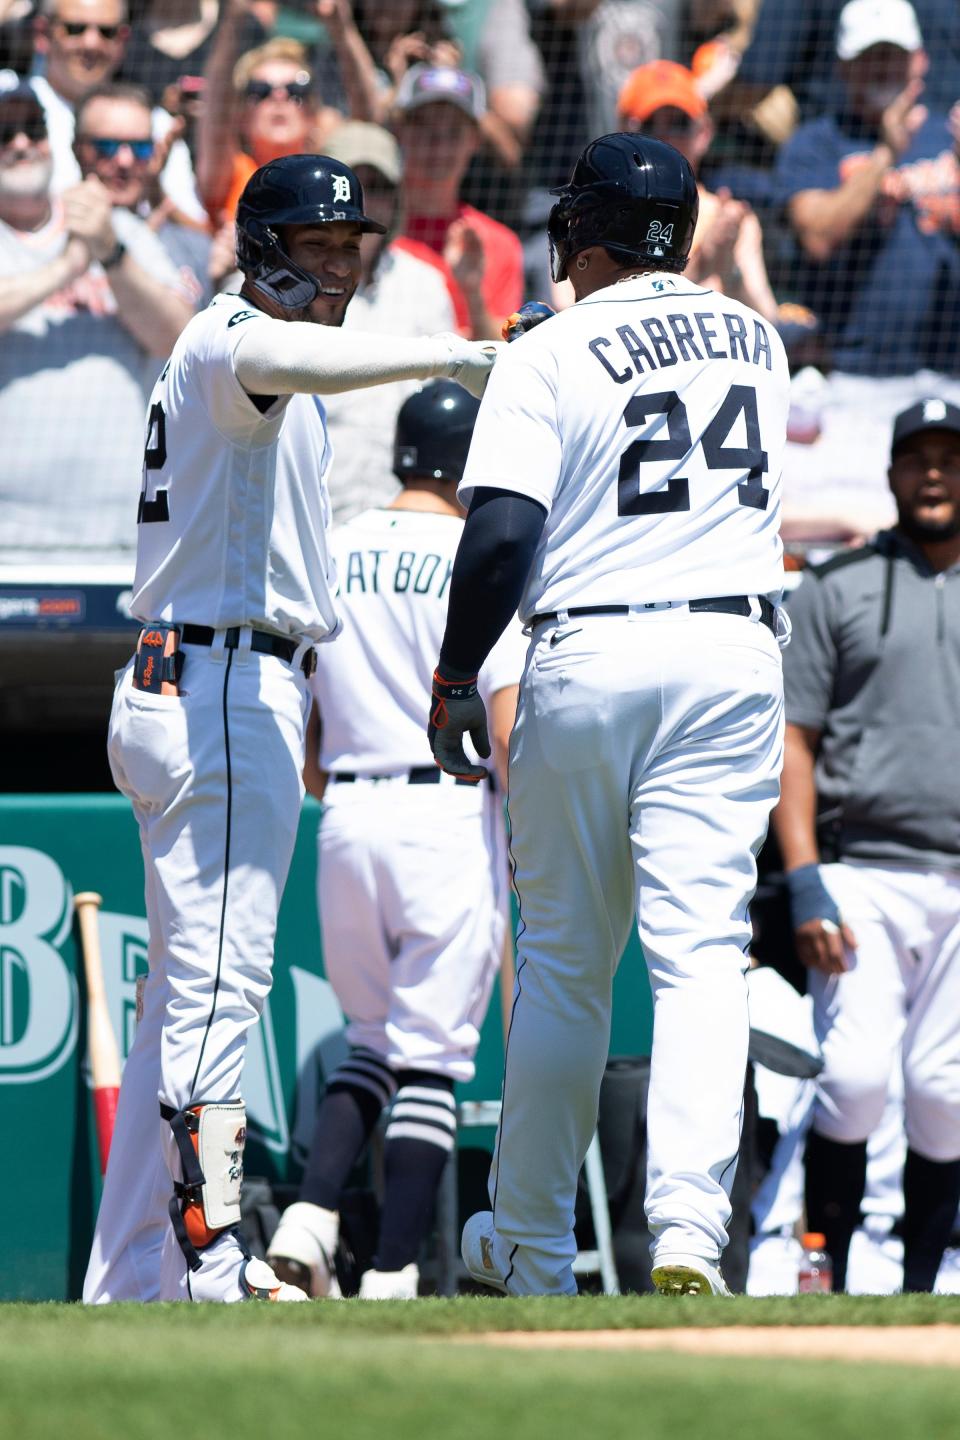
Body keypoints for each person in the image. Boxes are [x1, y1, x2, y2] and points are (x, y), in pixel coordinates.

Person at [81, 152, 498, 1304]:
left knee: (184, 996)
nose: (335, 269)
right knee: (217, 994)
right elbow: (275, 354)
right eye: (314, 248)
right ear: (262, 250)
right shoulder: (229, 336)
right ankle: (213, 1257)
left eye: (347, 250)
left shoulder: (246, 355)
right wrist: (459, 351)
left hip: (204, 678)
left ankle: (131, 1278)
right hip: (215, 682)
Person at [427, 130, 790, 1298]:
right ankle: (687, 1238)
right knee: (702, 961)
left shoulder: (552, 349)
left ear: (575, 232)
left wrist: (452, 676)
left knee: (569, 966)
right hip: (733, 649)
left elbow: (497, 539)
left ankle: (529, 1242)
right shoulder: (759, 339)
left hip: (594, 645)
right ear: (682, 233)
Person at [265, 381, 524, 1300]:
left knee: (371, 1040)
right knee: (432, 1056)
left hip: (345, 812)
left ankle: (307, 1217)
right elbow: (503, 722)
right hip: (443, 812)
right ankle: (390, 1273)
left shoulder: (335, 546)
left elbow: (294, 708)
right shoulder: (480, 553)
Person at [773, 395, 960, 1294]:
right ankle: (829, 1275)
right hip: (860, 876)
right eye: (918, 458)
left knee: (945, 1099)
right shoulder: (835, 586)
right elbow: (793, 743)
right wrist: (804, 880)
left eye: (950, 458)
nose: (934, 473)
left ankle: (921, 1299)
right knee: (850, 1081)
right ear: (890, 475)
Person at [774, 0, 960, 543]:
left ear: (920, 61)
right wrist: (885, 153)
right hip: (855, 386)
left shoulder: (949, 136)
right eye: (870, 58)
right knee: (860, 536)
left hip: (948, 373)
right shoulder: (814, 144)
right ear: (843, 65)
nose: (884, 70)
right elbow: (818, 232)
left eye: (894, 57)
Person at [0, 81, 196, 563]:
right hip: (8, 531)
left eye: (32, 129)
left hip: (118, 531)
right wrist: (66, 268)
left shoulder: (118, 231)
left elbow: (177, 336)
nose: (21, 144)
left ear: (52, 141)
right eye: (3, 133)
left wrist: (109, 255)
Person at [319, 120, 459, 521]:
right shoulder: (285, 289)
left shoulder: (426, 285)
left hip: (402, 530)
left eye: (378, 189)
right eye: (352, 190)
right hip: (306, 530)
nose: (365, 206)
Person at [6, 0, 205, 219]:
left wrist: (155, 194)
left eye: (107, 32)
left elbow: (198, 239)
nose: (92, 43)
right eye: (75, 29)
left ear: (123, 40)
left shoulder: (157, 126)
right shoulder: (9, 100)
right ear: (42, 33)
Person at [617, 59, 779, 323]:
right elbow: (577, 318)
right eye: (648, 125)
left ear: (703, 133)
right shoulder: (597, 216)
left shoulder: (732, 218)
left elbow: (768, 323)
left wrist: (729, 269)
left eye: (679, 123)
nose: (663, 138)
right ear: (622, 133)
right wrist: (702, 262)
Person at [393, 63, 523, 340]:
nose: (438, 145)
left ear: (475, 140)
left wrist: (473, 295)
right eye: (424, 127)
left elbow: (505, 350)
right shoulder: (371, 235)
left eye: (453, 132)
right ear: (400, 130)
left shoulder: (498, 244)